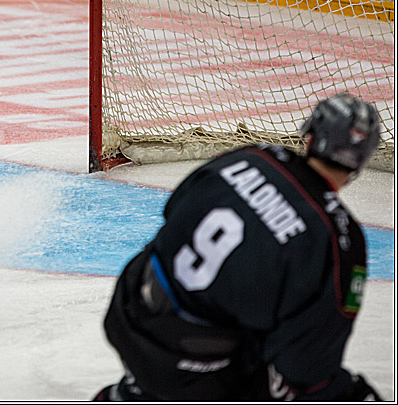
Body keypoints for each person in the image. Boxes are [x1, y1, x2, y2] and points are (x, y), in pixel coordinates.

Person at [95, 93, 384, 401]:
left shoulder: (254, 157)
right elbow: (308, 363)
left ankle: (133, 391)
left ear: (311, 135)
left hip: (129, 309)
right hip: (197, 365)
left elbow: (174, 208)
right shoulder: (338, 238)